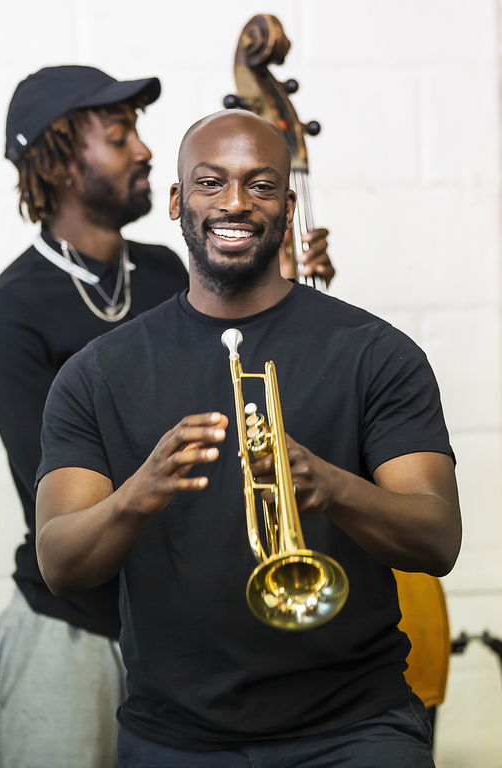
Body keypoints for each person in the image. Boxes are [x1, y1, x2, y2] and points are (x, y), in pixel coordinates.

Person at [35, 109, 462, 767]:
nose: (234, 202)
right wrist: (135, 496)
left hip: (355, 730)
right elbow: (60, 565)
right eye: (210, 182)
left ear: (288, 207)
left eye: (260, 185)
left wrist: (336, 488)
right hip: (172, 738)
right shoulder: (96, 374)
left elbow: (437, 539)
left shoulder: (376, 354)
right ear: (177, 199)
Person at [0, 64, 334, 767]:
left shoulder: (173, 272)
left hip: (184, 629)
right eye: (119, 135)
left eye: (137, 130)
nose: (143, 149)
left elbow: (242, 411)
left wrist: (281, 294)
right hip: (75, 628)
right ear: (59, 159)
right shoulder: (6, 312)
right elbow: (70, 486)